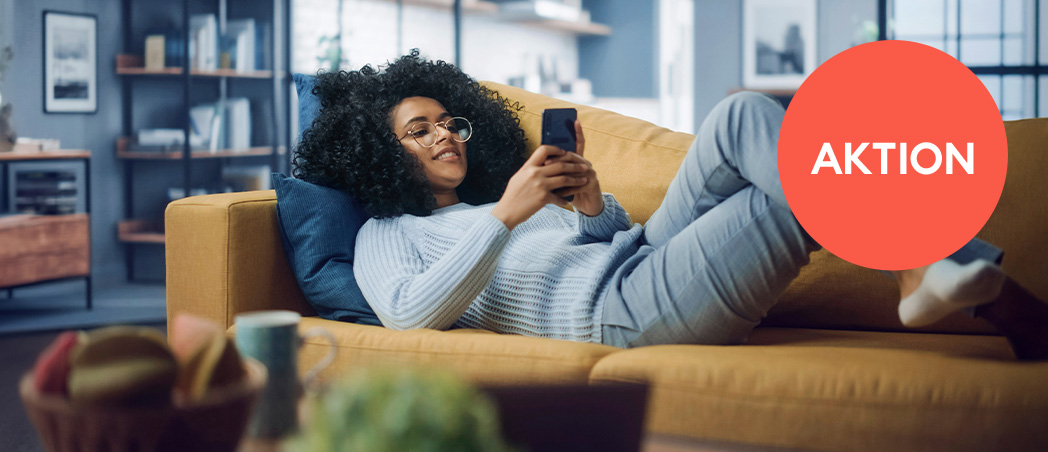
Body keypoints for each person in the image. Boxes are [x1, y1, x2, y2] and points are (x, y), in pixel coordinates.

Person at [294, 51, 1048, 360]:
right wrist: (506, 216)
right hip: (621, 312)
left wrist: (592, 206)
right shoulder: (388, 234)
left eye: (448, 123)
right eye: (416, 131)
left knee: (743, 116)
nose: (443, 137)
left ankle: (936, 269)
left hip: (640, 255)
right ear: (378, 153)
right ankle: (934, 265)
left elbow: (604, 240)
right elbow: (407, 313)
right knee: (784, 205)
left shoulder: (505, 193)